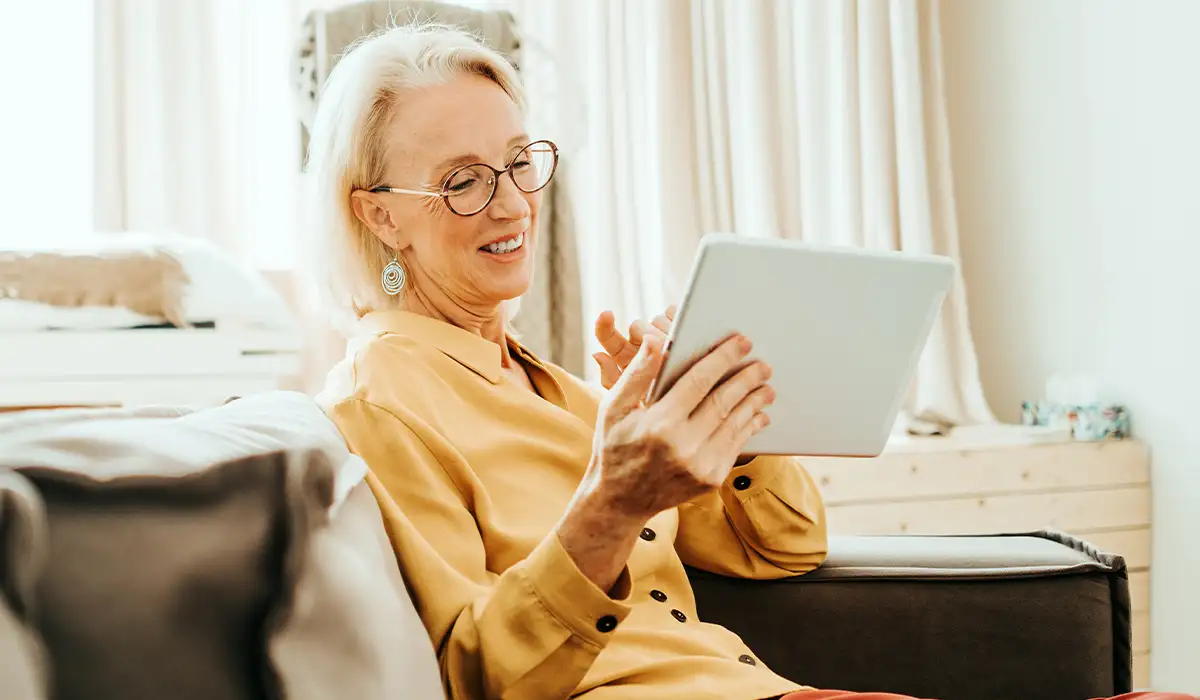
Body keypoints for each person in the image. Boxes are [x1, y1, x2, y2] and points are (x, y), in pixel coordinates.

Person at [308, 23, 1194, 700]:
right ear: (379, 213)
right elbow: (477, 675)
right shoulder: (380, 399)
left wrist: (719, 418)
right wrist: (612, 502)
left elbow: (783, 548)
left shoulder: (556, 387)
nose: (512, 204)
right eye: (463, 180)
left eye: (517, 162)